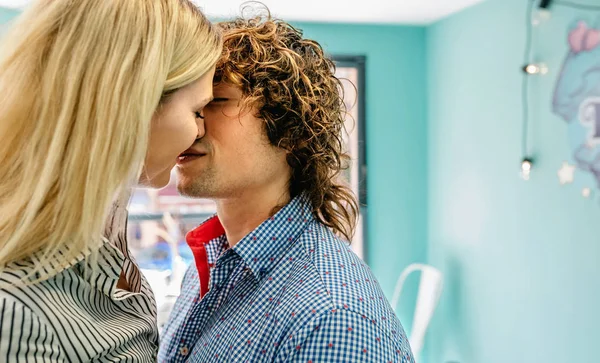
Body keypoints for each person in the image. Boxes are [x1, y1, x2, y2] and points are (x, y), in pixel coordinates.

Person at [159, 13, 415, 363]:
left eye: (216, 102)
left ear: (291, 131)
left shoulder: (332, 321)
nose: (191, 126)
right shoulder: (209, 269)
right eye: (190, 105)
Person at [0, 0, 221, 361]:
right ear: (136, 104)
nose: (200, 131)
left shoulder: (102, 248)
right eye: (197, 111)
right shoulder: (15, 312)